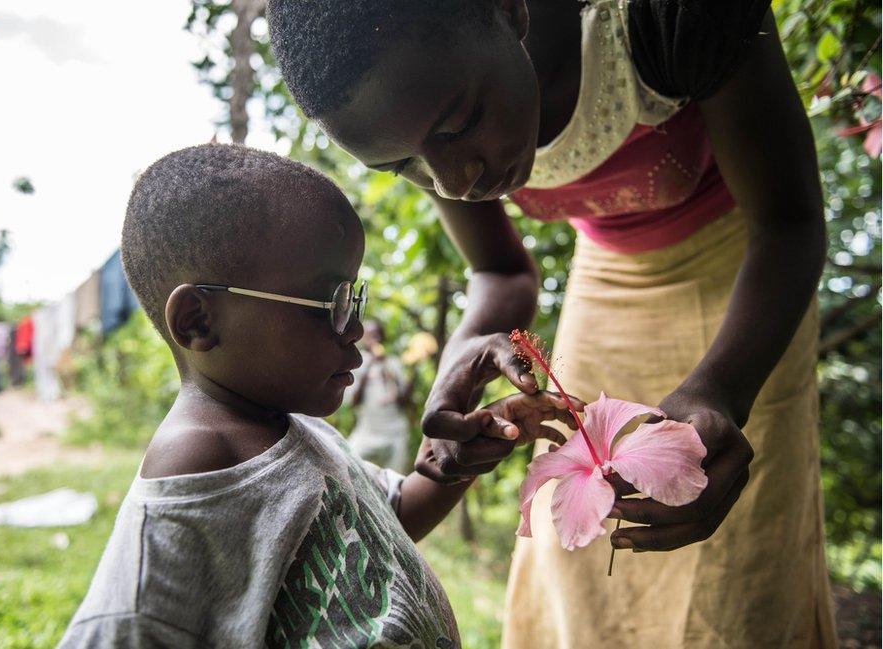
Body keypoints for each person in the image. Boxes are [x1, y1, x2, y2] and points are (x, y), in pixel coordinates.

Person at [266, 1, 835, 647]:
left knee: (737, 550)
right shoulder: (419, 107)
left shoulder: (665, 14)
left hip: (748, 273)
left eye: (460, 126)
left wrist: (722, 390)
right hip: (609, 273)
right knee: (579, 545)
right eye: (403, 168)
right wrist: (459, 372)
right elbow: (502, 272)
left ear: (509, 12)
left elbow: (788, 222)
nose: (455, 182)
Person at [58, 143, 579, 648]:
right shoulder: (199, 465)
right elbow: (121, 627)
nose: (353, 327)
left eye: (354, 298)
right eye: (330, 300)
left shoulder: (301, 431)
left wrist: (453, 466)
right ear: (198, 322)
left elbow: (393, 519)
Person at [347, 320, 415, 471]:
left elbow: (403, 401)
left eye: (377, 335)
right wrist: (370, 365)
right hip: (367, 432)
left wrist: (412, 372)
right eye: (370, 335)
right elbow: (353, 402)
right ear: (363, 338)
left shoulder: (394, 363)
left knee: (396, 476)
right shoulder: (357, 363)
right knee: (348, 464)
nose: (374, 339)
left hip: (395, 433)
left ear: (383, 338)